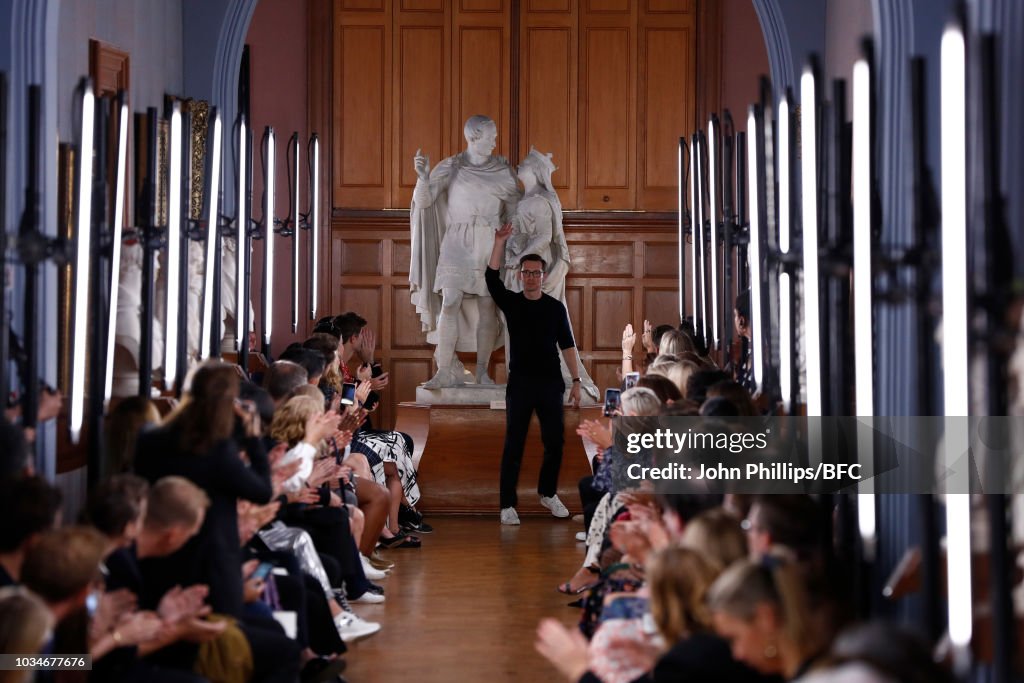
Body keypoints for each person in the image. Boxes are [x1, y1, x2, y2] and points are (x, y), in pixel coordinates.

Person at [410, 115, 520, 387]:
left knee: (487, 307)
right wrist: (423, 179)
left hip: (488, 243)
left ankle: (482, 372)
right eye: (491, 137)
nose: (495, 142)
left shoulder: (502, 172)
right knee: (449, 302)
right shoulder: (451, 167)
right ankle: (444, 369)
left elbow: (516, 211)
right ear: (474, 137)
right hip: (457, 241)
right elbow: (424, 201)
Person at [487, 223, 580, 525]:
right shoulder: (512, 303)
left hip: (551, 383)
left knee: (555, 442)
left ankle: (547, 493)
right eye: (526, 272)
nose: (530, 277)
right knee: (514, 442)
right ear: (520, 275)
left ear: (543, 276)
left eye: (535, 273)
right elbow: (491, 279)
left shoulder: (555, 308)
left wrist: (576, 381)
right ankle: (506, 505)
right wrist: (499, 242)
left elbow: (567, 345)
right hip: (521, 383)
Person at [503, 148, 598, 402]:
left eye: (523, 164)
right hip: (522, 270)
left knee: (540, 329)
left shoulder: (538, 201)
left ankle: (567, 378)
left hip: (530, 267)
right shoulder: (530, 198)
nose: (519, 167)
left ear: (534, 170)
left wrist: (516, 257)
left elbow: (544, 237)